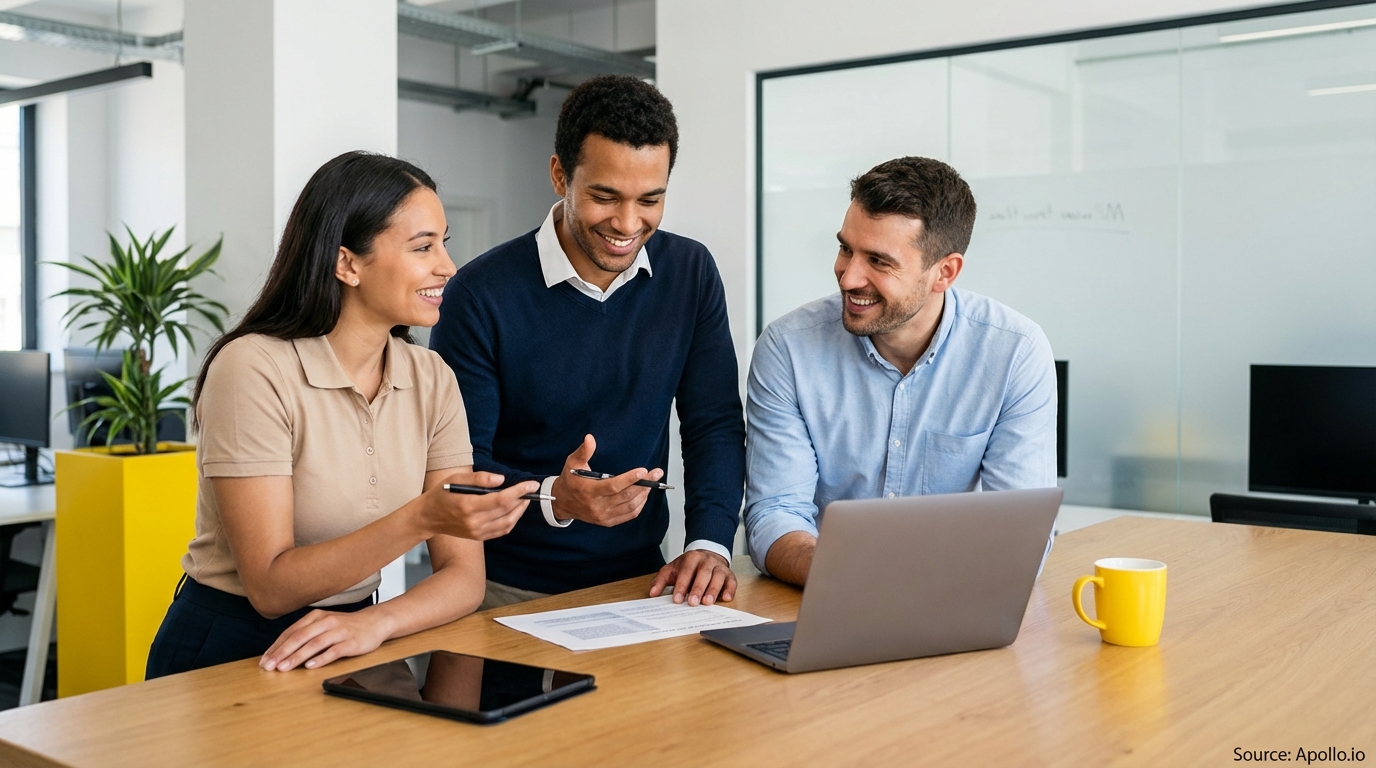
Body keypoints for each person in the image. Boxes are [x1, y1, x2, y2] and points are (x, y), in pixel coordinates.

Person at [146, 151, 538, 678]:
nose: (447, 266)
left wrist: (373, 624)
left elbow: (464, 578)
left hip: (356, 636)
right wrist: (422, 517)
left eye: (444, 244)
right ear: (346, 263)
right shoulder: (253, 367)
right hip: (234, 646)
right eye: (423, 247)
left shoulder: (432, 377)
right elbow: (269, 588)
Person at [429, 75, 745, 609]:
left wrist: (710, 542)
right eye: (604, 197)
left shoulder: (690, 272)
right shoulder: (480, 294)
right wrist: (556, 496)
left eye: (650, 199)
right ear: (560, 175)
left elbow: (712, 423)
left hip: (642, 584)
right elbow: (461, 465)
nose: (627, 223)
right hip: (505, 589)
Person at [744, 156, 1058, 586]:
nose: (849, 276)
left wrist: (904, 579)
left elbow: (1021, 536)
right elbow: (775, 514)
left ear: (944, 272)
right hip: (825, 596)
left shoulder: (1014, 353)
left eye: (879, 261)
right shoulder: (787, 349)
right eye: (845, 248)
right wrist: (856, 576)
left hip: (951, 602)